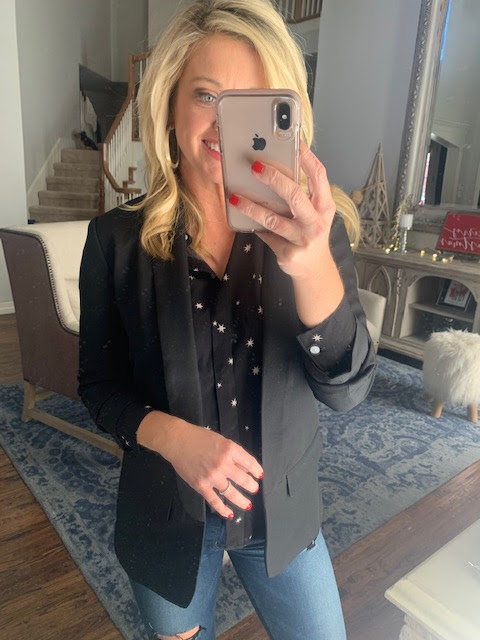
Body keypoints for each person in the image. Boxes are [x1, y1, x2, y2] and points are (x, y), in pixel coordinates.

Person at [78, 1, 376, 638]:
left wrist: (310, 265)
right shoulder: (114, 240)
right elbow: (99, 388)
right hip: (167, 516)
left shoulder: (315, 232)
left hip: (282, 514)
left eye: (251, 103)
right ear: (170, 105)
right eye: (207, 95)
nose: (224, 122)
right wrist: (174, 439)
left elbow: (347, 391)